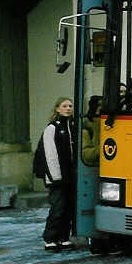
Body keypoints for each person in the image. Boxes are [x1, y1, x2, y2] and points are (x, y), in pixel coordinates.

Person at [41, 97, 76, 251]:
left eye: (70, 106)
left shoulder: (74, 126)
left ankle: (63, 237)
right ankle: (50, 238)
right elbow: (50, 153)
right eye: (64, 106)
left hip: (70, 176)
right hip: (57, 177)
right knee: (57, 208)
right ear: (57, 109)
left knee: (69, 208)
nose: (68, 108)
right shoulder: (52, 128)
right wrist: (55, 177)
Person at [81, 95, 102, 166]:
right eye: (99, 105)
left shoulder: (110, 125)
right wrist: (103, 148)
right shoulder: (86, 128)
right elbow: (86, 156)